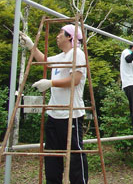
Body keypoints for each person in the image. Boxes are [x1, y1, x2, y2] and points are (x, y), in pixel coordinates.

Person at [20, 25, 88, 184]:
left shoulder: (77, 54)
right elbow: (45, 61)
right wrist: (31, 45)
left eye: (60, 33)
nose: (57, 36)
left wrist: (51, 83)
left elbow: (75, 80)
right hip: (54, 113)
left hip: (71, 114)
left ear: (70, 37)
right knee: (51, 155)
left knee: (75, 155)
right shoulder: (62, 56)